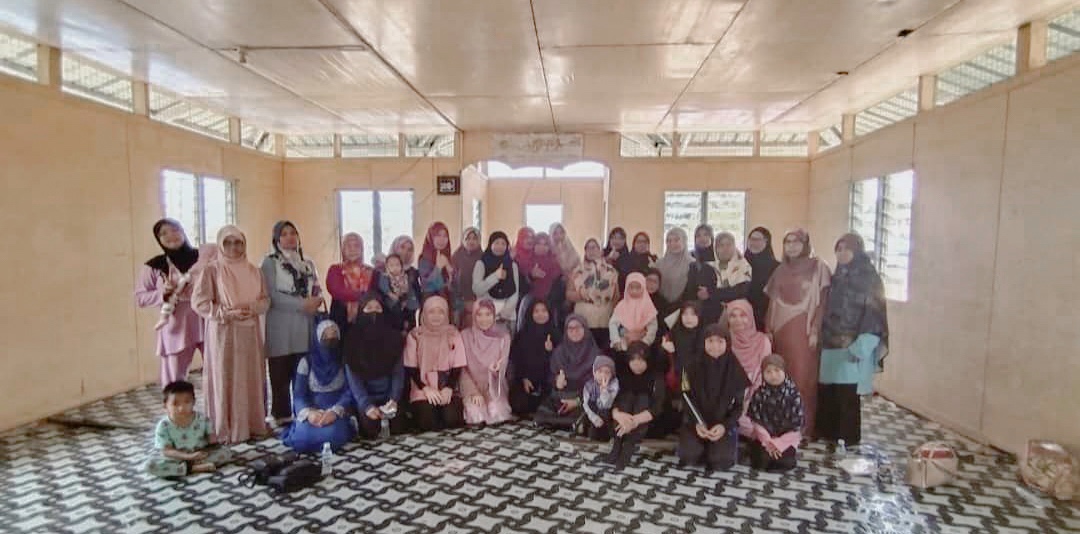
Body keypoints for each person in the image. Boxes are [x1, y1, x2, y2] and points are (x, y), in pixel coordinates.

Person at [191, 225, 270, 443]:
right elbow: (199, 302)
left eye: (238, 243)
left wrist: (253, 309)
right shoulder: (212, 270)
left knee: (249, 377)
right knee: (226, 377)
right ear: (220, 245)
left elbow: (265, 299)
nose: (234, 247)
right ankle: (226, 427)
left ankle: (251, 424)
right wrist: (224, 313)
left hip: (250, 332)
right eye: (228, 243)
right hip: (223, 333)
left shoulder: (254, 271)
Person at [817, 233, 889, 446]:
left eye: (846, 249)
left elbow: (875, 311)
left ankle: (848, 437)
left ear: (857, 251)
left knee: (847, 392)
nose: (841, 253)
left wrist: (864, 344)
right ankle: (829, 433)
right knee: (829, 389)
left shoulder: (869, 278)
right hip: (829, 342)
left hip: (852, 343)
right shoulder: (837, 276)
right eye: (838, 249)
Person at [765, 228, 831, 436]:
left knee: (802, 378)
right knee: (780, 376)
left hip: (804, 329)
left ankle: (802, 426)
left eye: (796, 242)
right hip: (781, 329)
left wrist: (815, 329)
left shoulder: (818, 267)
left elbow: (822, 302)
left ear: (805, 244)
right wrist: (768, 329)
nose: (791, 246)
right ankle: (781, 424)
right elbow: (773, 302)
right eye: (787, 242)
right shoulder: (780, 270)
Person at [261, 220, 323, 424]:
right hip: (281, 325)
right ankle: (282, 415)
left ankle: (303, 412)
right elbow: (272, 295)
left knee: (302, 372)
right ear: (277, 239)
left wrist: (317, 299)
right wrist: (302, 304)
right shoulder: (270, 263)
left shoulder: (307, 263)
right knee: (280, 373)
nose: (290, 237)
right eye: (284, 234)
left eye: (293, 233)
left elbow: (316, 288)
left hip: (305, 323)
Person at [135, 219, 208, 386]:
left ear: (183, 231)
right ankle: (177, 404)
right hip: (175, 327)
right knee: (174, 380)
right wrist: (162, 294)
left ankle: (218, 403)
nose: (170, 235)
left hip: (207, 321)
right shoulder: (154, 266)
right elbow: (140, 297)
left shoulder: (202, 259)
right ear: (158, 239)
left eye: (174, 229)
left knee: (218, 373)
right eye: (163, 233)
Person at [678, 324, 749, 471]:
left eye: (720, 341)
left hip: (723, 424)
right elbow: (686, 397)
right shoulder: (690, 367)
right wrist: (697, 423)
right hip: (696, 422)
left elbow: (738, 406)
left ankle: (714, 449)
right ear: (703, 342)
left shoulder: (735, 370)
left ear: (727, 344)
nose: (715, 346)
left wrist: (724, 426)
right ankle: (702, 447)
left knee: (721, 461)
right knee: (689, 456)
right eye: (710, 341)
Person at [281, 320, 357, 453]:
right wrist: (310, 414)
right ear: (317, 339)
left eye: (334, 336)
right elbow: (299, 395)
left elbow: (349, 392)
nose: (330, 340)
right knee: (303, 438)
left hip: (336, 414)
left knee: (333, 435)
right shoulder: (306, 362)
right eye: (325, 336)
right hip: (312, 413)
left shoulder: (344, 361)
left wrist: (334, 412)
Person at [344, 294, 407, 439]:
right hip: (366, 397)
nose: (374, 312)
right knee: (370, 429)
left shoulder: (394, 338)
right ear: (361, 311)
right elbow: (354, 379)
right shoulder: (351, 339)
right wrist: (366, 405)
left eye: (378, 308)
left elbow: (398, 373)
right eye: (369, 308)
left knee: (399, 427)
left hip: (389, 396)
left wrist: (394, 399)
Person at [145, 381, 232, 478]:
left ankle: (189, 467)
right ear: (165, 405)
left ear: (193, 402)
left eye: (187, 402)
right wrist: (189, 456)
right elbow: (167, 451)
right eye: (175, 404)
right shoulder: (163, 426)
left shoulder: (202, 419)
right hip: (177, 457)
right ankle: (192, 468)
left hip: (199, 454)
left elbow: (212, 441)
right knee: (150, 465)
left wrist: (213, 442)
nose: (181, 408)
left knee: (226, 453)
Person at [404, 296, 466, 431]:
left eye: (441, 312)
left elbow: (458, 365)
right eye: (431, 311)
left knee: (452, 419)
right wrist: (426, 389)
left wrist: (449, 387)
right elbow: (410, 366)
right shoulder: (415, 335)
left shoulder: (453, 334)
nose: (436, 316)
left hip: (447, 387)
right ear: (424, 313)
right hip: (422, 389)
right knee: (427, 422)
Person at [605, 342, 666, 471]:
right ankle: (617, 442)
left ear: (647, 360)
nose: (636, 364)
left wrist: (635, 421)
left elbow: (658, 407)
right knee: (626, 397)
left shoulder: (656, 375)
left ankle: (629, 446)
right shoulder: (623, 373)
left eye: (640, 360)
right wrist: (618, 415)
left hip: (648, 422)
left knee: (642, 398)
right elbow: (613, 399)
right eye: (632, 360)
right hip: (623, 420)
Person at [533, 315, 600, 430]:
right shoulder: (559, 351)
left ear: (585, 329)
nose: (574, 331)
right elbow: (550, 376)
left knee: (589, 410)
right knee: (542, 414)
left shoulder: (595, 354)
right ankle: (566, 423)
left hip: (583, 397)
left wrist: (577, 401)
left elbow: (598, 384)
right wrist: (556, 381)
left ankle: (567, 422)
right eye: (570, 328)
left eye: (578, 327)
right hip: (561, 396)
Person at [460, 299, 513, 425]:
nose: (484, 319)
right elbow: (462, 369)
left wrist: (497, 369)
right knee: (476, 415)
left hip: (494, 387)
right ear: (473, 316)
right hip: (471, 386)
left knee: (497, 413)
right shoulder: (465, 336)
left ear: (494, 316)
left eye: (488, 314)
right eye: (479, 314)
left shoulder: (503, 337)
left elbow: (503, 367)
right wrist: (473, 392)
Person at [748, 354, 804, 472]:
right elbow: (756, 423)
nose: (773, 375)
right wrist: (768, 442)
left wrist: (778, 444)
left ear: (784, 371)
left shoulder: (793, 394)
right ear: (763, 374)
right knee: (761, 461)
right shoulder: (759, 394)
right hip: (764, 439)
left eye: (777, 370)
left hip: (786, 440)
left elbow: (796, 427)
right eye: (768, 372)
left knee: (785, 462)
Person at [724, 299, 772, 438]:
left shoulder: (762, 342)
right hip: (729, 398)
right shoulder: (723, 341)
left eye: (743, 315)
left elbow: (764, 375)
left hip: (755, 396)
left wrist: (750, 400)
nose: (738, 320)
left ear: (750, 317)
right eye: (733, 316)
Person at [509, 299, 560, 416]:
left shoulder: (555, 334)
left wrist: (551, 351)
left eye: (544, 311)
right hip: (526, 380)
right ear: (530, 314)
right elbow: (516, 360)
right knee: (518, 404)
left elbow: (560, 363)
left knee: (552, 402)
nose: (540, 314)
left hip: (547, 382)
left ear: (549, 313)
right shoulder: (522, 334)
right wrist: (524, 378)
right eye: (536, 311)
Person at [568, 238, 620, 349]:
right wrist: (583, 295)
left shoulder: (611, 271)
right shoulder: (577, 271)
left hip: (604, 318)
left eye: (594, 247)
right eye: (588, 248)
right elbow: (568, 294)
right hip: (583, 317)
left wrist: (613, 315)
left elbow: (616, 296)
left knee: (602, 350)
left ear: (600, 250)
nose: (591, 251)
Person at [608, 273, 658, 376]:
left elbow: (653, 326)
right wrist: (616, 340)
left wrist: (645, 341)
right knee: (623, 367)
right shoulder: (622, 305)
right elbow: (613, 324)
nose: (634, 291)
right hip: (625, 342)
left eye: (638, 287)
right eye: (631, 287)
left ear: (643, 287)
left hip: (643, 343)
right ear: (627, 287)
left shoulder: (648, 305)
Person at [472, 231, 522, 330]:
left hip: (507, 316)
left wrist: (504, 314)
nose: (500, 246)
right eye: (496, 243)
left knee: (506, 339)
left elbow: (515, 292)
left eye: (503, 244)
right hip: (485, 315)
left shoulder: (512, 265)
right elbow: (477, 290)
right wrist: (495, 276)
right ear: (490, 244)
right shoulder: (481, 263)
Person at [325, 233, 375, 333]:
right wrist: (362, 295)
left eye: (356, 246)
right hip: (341, 318)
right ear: (343, 249)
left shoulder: (371, 271)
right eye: (348, 246)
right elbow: (336, 291)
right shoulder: (335, 269)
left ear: (362, 249)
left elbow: (375, 293)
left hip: (366, 318)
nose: (352, 250)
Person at [745, 227, 780, 332]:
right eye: (751, 239)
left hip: (765, 316)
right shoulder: (740, 263)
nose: (754, 242)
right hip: (741, 316)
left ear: (767, 242)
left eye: (758, 239)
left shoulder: (776, 267)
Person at [377, 254, 421, 331]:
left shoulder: (405, 276)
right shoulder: (385, 276)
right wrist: (390, 294)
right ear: (387, 267)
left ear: (401, 266)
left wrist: (410, 298)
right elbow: (383, 286)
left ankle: (409, 329)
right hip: (393, 301)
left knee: (411, 314)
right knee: (396, 313)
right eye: (391, 265)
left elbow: (410, 288)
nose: (395, 268)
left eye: (397, 265)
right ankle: (400, 329)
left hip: (407, 300)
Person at [450, 227, 484, 327]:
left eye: (474, 238)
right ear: (463, 240)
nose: (471, 241)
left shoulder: (484, 258)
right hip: (457, 302)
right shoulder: (456, 257)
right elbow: (451, 281)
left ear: (479, 241)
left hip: (477, 302)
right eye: (468, 238)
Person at [582, 355, 619, 441]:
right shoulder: (589, 385)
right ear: (594, 373)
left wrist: (604, 391)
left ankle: (611, 437)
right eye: (600, 371)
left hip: (608, 413)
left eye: (607, 372)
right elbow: (585, 404)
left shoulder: (614, 385)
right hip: (594, 413)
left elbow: (606, 405)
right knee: (590, 404)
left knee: (604, 411)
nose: (603, 375)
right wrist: (594, 418)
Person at [655, 228, 693, 307]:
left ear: (684, 241)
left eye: (676, 240)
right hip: (660, 306)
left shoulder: (692, 264)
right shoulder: (659, 264)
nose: (672, 244)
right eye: (669, 241)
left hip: (684, 308)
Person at [418, 222, 454, 301]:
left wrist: (450, 271)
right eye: (438, 235)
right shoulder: (424, 258)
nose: (442, 239)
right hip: (431, 302)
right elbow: (427, 285)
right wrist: (438, 268)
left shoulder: (448, 257)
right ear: (431, 237)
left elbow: (455, 287)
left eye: (445, 236)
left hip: (447, 301)